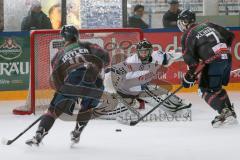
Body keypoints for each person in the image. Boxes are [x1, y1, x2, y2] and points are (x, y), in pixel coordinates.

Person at [25, 25, 111, 146]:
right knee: (87, 108)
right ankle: (77, 132)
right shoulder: (87, 45)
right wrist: (100, 68)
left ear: (63, 39)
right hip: (94, 81)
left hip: (73, 80)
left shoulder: (59, 54)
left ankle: (39, 134)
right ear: (77, 36)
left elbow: (56, 76)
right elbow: (105, 56)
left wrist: (62, 90)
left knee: (52, 112)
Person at [177, 10, 237, 127]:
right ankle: (229, 112)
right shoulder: (208, 24)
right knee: (215, 87)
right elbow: (230, 35)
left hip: (213, 61)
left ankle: (226, 112)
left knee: (203, 90)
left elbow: (192, 62)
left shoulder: (187, 35)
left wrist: (188, 78)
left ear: (184, 22)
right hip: (227, 58)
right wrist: (221, 49)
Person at [111, 40, 191, 121]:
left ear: (151, 51)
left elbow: (172, 55)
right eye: (141, 52)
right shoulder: (131, 61)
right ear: (137, 52)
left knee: (156, 90)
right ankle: (176, 111)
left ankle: (179, 103)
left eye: (146, 51)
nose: (143, 54)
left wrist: (190, 57)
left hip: (139, 84)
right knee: (152, 93)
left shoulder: (157, 55)